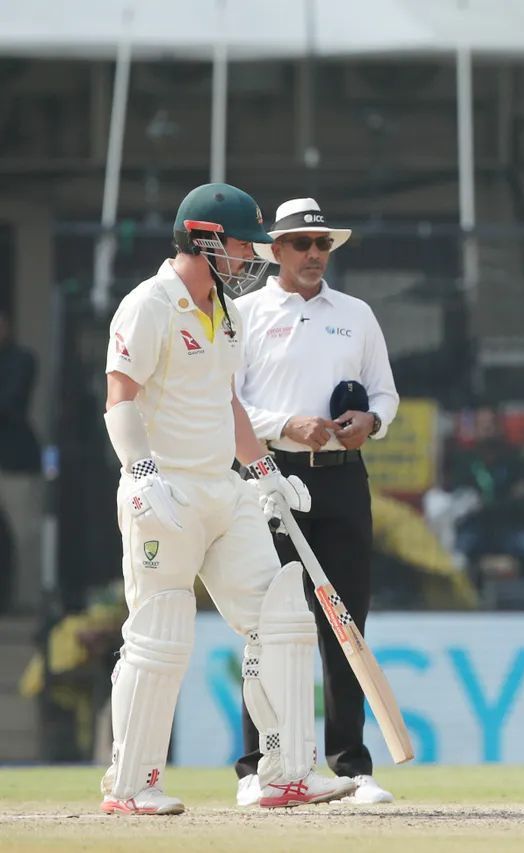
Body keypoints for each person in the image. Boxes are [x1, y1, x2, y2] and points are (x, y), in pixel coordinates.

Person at [100, 183, 355, 814]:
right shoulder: (149, 304)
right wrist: (141, 471)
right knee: (161, 634)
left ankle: (286, 772)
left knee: (282, 616)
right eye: (245, 245)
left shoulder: (228, 313)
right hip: (164, 491)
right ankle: (132, 785)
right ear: (207, 238)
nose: (251, 259)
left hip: (224, 488)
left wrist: (264, 470)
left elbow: (227, 403)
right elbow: (120, 396)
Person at [233, 198, 399, 806]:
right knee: (266, 624)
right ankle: (257, 767)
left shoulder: (355, 314)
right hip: (269, 475)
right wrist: (284, 427)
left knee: (345, 620)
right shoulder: (244, 314)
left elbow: (385, 392)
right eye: (301, 244)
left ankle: (350, 766)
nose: (312, 254)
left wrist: (370, 421)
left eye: (321, 244)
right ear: (276, 250)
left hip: (342, 475)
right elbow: (227, 405)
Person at [446, 401, 524, 582]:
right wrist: (501, 500)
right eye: (483, 425)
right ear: (475, 428)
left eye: (492, 424)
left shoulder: (516, 457)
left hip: (509, 526)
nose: (488, 429)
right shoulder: (464, 460)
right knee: (458, 554)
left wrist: (488, 504)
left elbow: (523, 497)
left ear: (499, 427)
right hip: (476, 526)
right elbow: (461, 496)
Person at [0, 310, 43, 612]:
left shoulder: (21, 359)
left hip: (15, 462)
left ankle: (29, 605)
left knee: (23, 536)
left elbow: (11, 402)